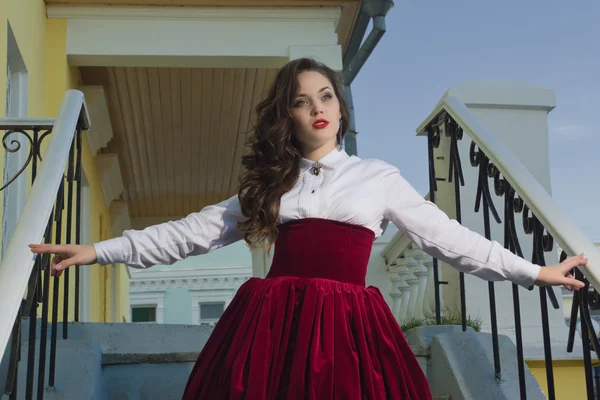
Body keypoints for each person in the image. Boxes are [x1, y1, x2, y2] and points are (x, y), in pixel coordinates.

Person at [30, 58, 586, 399]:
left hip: (349, 327)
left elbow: (452, 241)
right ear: (287, 115)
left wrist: (536, 271)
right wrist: (100, 249)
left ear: (341, 109)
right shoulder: (272, 183)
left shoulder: (378, 178)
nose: (316, 108)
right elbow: (189, 233)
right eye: (301, 101)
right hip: (271, 326)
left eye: (325, 97)